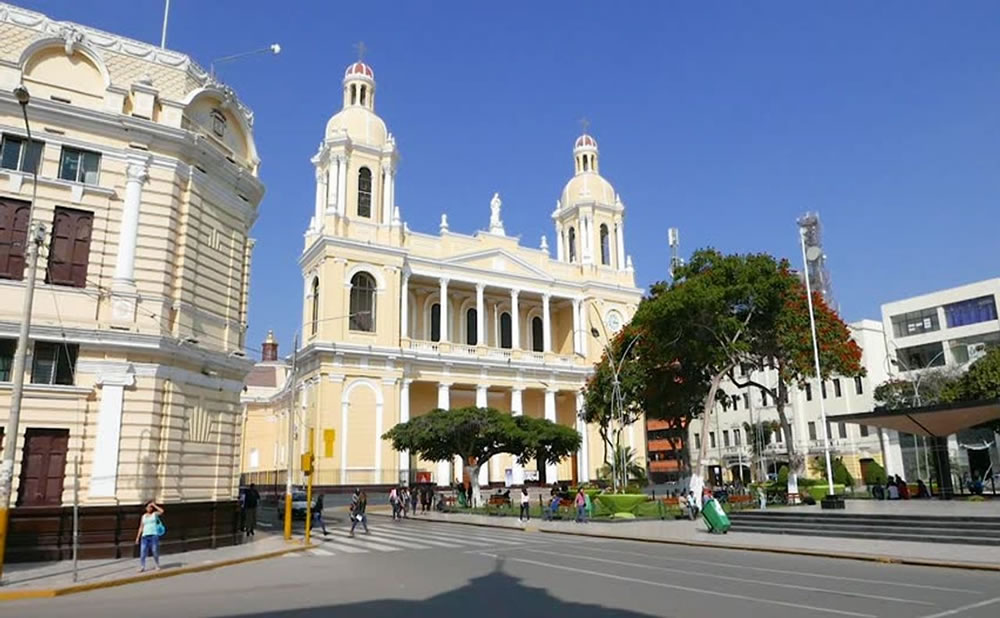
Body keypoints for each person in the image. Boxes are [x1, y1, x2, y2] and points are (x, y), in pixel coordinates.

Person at [135, 500, 164, 573]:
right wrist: (138, 537)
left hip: (153, 535)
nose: (149, 508)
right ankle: (142, 566)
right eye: (148, 507)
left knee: (154, 551)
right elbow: (141, 527)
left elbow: (162, 511)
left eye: (151, 507)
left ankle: (157, 564)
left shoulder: (154, 514)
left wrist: (154, 505)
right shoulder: (144, 516)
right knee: (143, 552)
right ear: (146, 508)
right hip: (145, 536)